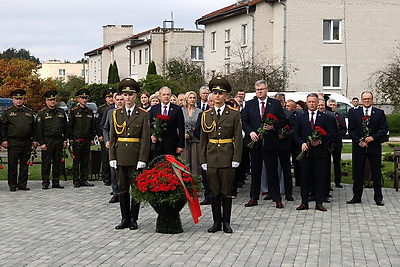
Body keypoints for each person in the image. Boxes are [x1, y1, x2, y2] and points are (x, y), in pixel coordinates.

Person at [200, 76, 242, 234]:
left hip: (227, 156)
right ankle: (216, 221)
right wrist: (203, 159)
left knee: (226, 191)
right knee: (214, 191)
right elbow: (203, 140)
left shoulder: (233, 114)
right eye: (214, 93)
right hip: (211, 157)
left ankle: (226, 222)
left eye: (220, 93)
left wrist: (236, 158)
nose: (217, 96)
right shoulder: (206, 115)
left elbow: (237, 137)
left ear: (226, 96)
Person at [109, 78, 150, 230]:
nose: (128, 98)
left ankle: (134, 218)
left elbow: (145, 139)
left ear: (136, 96)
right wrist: (112, 156)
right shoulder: (116, 114)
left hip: (135, 155)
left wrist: (142, 159)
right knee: (122, 188)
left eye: (131, 95)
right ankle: (124, 218)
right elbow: (113, 137)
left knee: (136, 188)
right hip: (120, 155)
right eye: (125, 95)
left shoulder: (143, 114)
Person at [242, 80, 287, 208]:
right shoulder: (249, 104)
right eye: (257, 90)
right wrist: (250, 132)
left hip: (270, 142)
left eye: (261, 89)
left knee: (272, 171)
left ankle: (276, 198)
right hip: (255, 142)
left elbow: (283, 120)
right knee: (255, 171)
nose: (259, 91)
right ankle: (254, 197)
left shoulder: (275, 104)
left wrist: (273, 127)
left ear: (266, 89)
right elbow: (244, 121)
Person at [294, 93, 334, 211]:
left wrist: (320, 141)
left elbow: (331, 134)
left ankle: (319, 202)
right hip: (305, 153)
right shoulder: (300, 117)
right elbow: (295, 133)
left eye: (314, 102)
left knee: (320, 178)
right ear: (307, 103)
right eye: (309, 102)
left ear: (318, 103)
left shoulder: (325, 118)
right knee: (305, 178)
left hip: (320, 153)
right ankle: (304, 202)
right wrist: (302, 143)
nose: (311, 104)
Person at [347, 91, 388, 206]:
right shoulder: (354, 113)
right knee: (358, 172)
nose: (367, 101)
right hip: (359, 148)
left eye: (369, 99)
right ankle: (356, 196)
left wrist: (373, 137)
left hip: (374, 148)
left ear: (372, 100)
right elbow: (351, 130)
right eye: (365, 99)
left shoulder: (379, 113)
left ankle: (378, 197)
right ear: (361, 100)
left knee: (375, 172)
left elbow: (384, 129)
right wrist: (359, 141)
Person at [0, 89, 38, 191]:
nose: (18, 101)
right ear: (13, 100)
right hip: (13, 142)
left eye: (20, 99)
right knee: (12, 164)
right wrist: (3, 140)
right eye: (16, 99)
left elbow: (34, 128)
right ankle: (12, 185)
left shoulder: (29, 112)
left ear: (23, 99)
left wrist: (34, 139)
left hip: (26, 141)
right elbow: (2, 127)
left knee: (24, 165)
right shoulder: (8, 112)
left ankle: (22, 184)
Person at [36, 90, 68, 189]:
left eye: (53, 99)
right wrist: (41, 143)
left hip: (58, 140)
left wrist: (65, 140)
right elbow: (38, 130)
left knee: (57, 162)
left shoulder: (61, 112)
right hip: (47, 140)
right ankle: (45, 182)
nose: (52, 102)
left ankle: (56, 181)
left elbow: (66, 127)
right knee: (46, 163)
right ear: (46, 101)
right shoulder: (42, 113)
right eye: (50, 100)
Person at [69, 88, 96, 188]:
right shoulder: (74, 111)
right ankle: (76, 180)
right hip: (77, 140)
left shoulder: (90, 111)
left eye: (86, 98)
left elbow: (92, 126)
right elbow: (70, 126)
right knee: (76, 161)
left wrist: (92, 138)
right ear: (78, 99)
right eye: (82, 98)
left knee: (85, 161)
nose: (84, 100)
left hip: (87, 140)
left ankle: (84, 179)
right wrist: (71, 139)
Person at [101, 91, 125, 203]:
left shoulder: (129, 112)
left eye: (122, 99)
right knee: (113, 170)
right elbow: (105, 128)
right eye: (118, 100)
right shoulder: (110, 112)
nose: (120, 102)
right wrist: (107, 140)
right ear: (114, 100)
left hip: (126, 145)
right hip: (113, 145)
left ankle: (126, 192)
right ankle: (116, 193)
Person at [149, 86, 185, 157]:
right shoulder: (154, 108)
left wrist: (181, 145)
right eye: (164, 94)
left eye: (168, 94)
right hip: (157, 145)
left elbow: (181, 128)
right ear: (160, 96)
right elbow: (149, 125)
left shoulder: (177, 109)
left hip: (172, 145)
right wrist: (152, 135)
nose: (166, 96)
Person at [275, 93, 295, 201]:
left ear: (284, 102)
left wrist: (285, 135)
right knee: (272, 169)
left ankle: (288, 193)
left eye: (281, 101)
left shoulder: (289, 114)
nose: (279, 103)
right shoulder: (272, 112)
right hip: (273, 144)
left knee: (286, 169)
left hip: (284, 145)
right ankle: (273, 192)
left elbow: (294, 129)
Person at [327, 99, 347, 188]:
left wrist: (338, 135)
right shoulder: (326, 115)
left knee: (337, 163)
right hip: (328, 143)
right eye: (330, 105)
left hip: (337, 142)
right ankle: (327, 183)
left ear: (336, 106)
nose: (332, 106)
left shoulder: (341, 116)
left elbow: (344, 129)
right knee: (327, 163)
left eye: (333, 105)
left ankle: (338, 181)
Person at [182, 91, 202, 176]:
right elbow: (178, 125)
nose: (192, 99)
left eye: (194, 98)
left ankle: (196, 182)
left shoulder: (199, 111)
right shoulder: (181, 111)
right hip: (184, 140)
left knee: (195, 162)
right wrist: (183, 134)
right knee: (185, 162)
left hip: (196, 139)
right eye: (190, 98)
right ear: (186, 99)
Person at [97, 88, 114, 186]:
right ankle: (106, 177)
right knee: (105, 157)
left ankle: (113, 177)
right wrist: (100, 135)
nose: (111, 99)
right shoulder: (102, 109)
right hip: (105, 136)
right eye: (109, 97)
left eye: (112, 97)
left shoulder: (118, 107)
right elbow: (99, 123)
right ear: (105, 99)